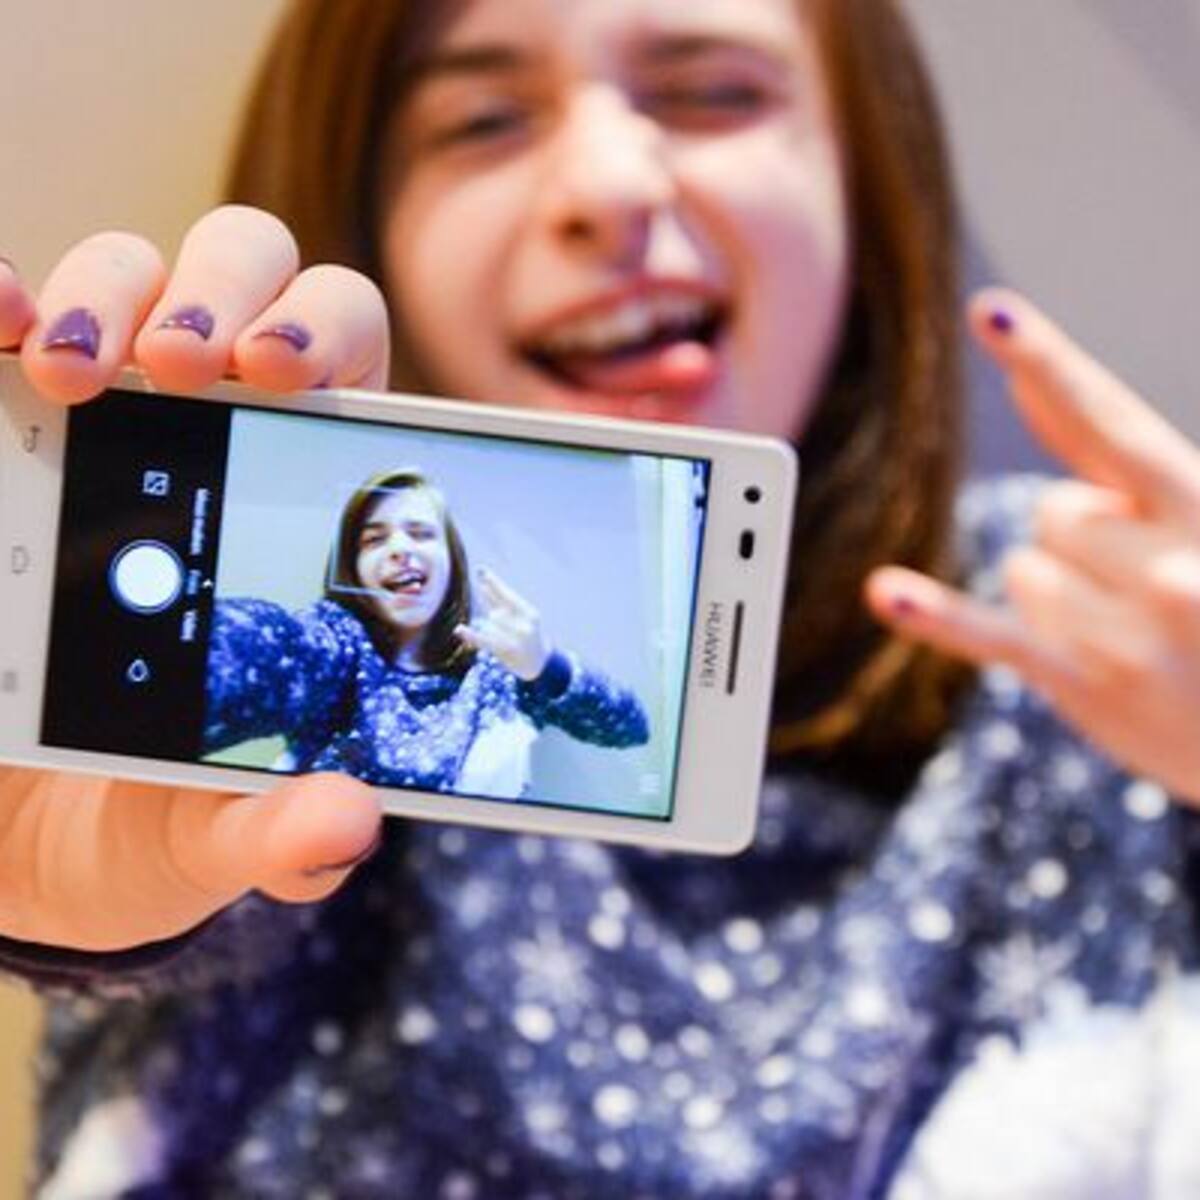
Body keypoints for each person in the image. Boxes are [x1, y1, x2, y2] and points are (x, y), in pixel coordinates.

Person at [0, 0, 1198, 1194]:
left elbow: (614, 722)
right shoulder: (324, 671)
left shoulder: (1101, 643)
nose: (611, 185)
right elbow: (249, 694)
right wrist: (83, 859)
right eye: (480, 120)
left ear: (867, 174)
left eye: (715, 92)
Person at [204, 466, 650, 795]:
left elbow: (630, 728)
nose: (400, 548)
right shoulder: (335, 647)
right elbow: (256, 650)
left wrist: (544, 665)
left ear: (451, 561)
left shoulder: (499, 665)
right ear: (353, 571)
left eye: (420, 533)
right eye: (374, 539)